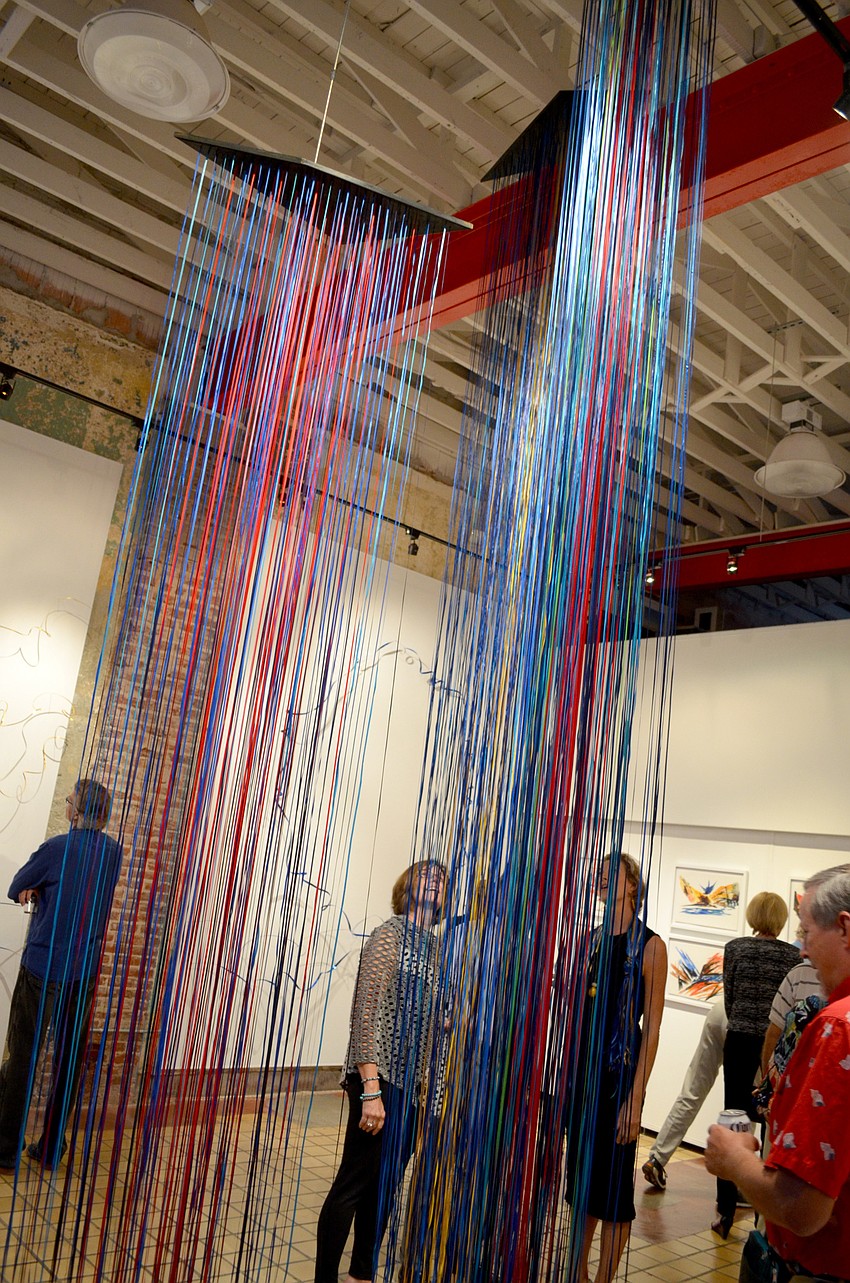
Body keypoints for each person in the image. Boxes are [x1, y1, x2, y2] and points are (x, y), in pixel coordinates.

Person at [705, 864, 850, 1282]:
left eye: (806, 933)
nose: (802, 949)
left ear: (844, 928)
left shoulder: (839, 1027)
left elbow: (801, 1208)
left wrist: (735, 1161)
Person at [314, 859, 446, 1283]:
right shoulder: (390, 936)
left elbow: (431, 1017)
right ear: (406, 886)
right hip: (379, 1077)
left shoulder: (437, 949)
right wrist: (371, 1088)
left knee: (385, 1185)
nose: (434, 881)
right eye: (425, 875)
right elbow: (365, 1011)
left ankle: (361, 1274)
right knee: (354, 1182)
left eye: (442, 880)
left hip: (411, 1084)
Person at [0, 778, 122, 1170]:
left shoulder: (57, 849)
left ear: (77, 810)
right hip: (83, 973)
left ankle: (5, 1149)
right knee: (69, 1058)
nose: (66, 804)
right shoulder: (113, 853)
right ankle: (51, 1147)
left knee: (23, 1058)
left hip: (43, 968)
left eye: (69, 800)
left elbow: (16, 886)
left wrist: (33, 890)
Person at [567, 853, 667, 1283]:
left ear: (632, 886)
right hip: (583, 1082)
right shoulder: (589, 940)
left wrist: (636, 1099)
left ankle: (604, 1278)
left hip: (617, 1083)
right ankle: (577, 1272)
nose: (602, 876)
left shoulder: (650, 946)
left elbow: (653, 1028)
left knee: (614, 1193)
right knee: (582, 1185)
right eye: (598, 873)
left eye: (613, 872)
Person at [713, 892, 798, 1238]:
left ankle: (725, 1210)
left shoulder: (735, 949)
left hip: (740, 1039)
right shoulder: (792, 957)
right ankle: (765, 1213)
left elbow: (729, 999)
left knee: (733, 1117)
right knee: (770, 1119)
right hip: (775, 1046)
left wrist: (742, 1023)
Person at [641, 998, 726, 1190]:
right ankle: (735, 1185)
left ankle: (657, 1159)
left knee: (692, 1092)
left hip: (721, 1009)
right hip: (748, 1022)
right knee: (746, 1105)